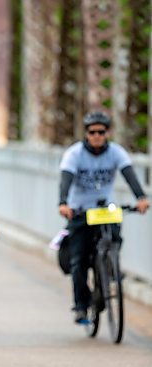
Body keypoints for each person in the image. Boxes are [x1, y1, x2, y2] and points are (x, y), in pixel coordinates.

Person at [58, 111, 150, 324]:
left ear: (107, 133)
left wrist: (141, 197)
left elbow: (130, 175)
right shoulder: (75, 154)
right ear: (87, 133)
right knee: (78, 260)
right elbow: (66, 179)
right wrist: (63, 203)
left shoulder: (116, 153)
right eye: (92, 132)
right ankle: (81, 306)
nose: (97, 135)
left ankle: (111, 268)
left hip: (105, 209)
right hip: (80, 210)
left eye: (101, 132)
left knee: (114, 240)